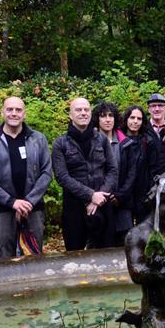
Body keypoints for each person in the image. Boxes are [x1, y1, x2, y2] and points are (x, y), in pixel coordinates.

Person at [0, 97, 53, 259]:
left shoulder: (38, 139)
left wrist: (29, 202)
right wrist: (12, 202)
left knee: (33, 255)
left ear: (24, 114)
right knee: (3, 255)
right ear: (2, 112)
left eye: (18, 110)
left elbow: (46, 173)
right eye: (10, 109)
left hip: (33, 209)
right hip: (2, 209)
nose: (14, 113)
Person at [53, 97, 118, 250]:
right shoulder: (60, 143)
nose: (83, 113)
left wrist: (99, 196)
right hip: (74, 207)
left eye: (86, 109)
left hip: (103, 203)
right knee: (75, 255)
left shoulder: (101, 139)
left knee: (105, 253)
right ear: (70, 115)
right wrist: (90, 195)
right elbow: (62, 177)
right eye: (78, 110)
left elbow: (113, 170)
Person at [94, 102, 140, 246]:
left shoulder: (125, 143)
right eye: (103, 116)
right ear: (97, 119)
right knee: (100, 244)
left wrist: (120, 195)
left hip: (122, 202)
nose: (107, 119)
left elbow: (132, 173)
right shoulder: (91, 142)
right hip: (99, 201)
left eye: (110, 116)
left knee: (124, 244)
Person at [121, 104, 154, 223]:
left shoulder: (148, 141)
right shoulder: (119, 140)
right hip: (123, 197)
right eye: (132, 117)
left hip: (143, 196)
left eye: (139, 119)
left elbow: (152, 169)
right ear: (126, 119)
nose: (135, 121)